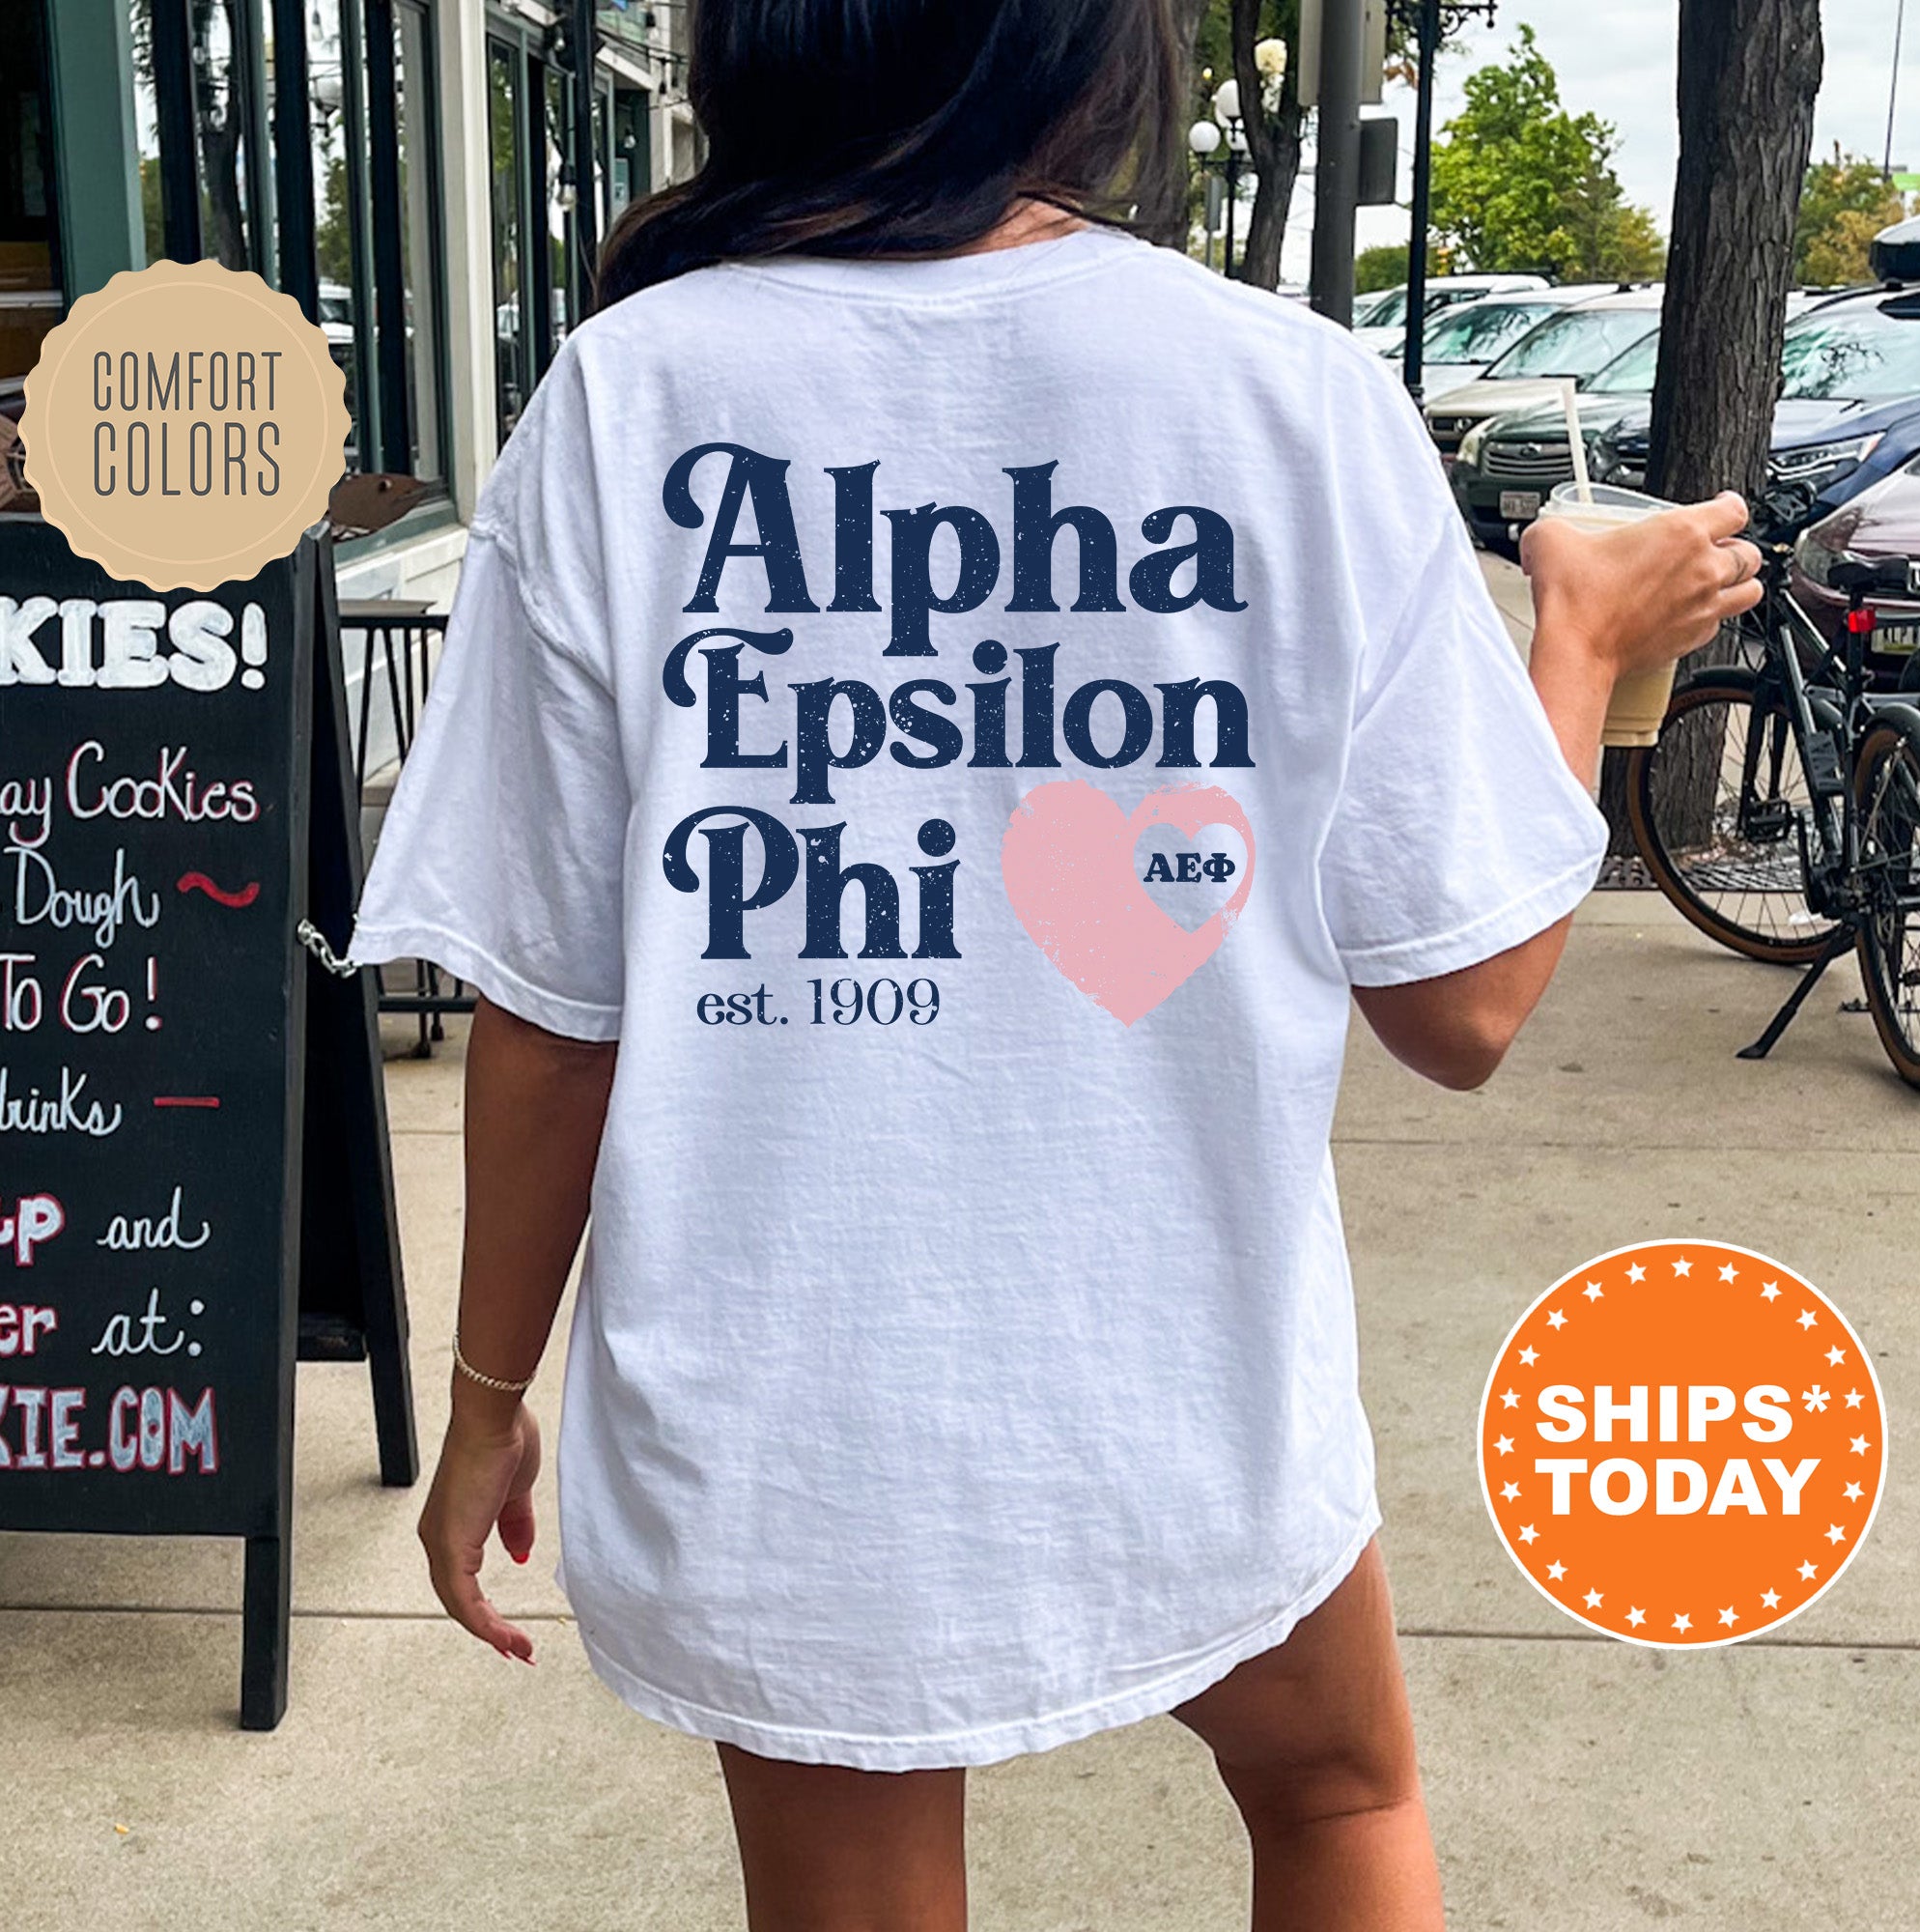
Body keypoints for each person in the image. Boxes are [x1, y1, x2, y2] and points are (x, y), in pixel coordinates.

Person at [348, 4, 1764, 1925]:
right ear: (1093, 54)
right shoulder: (1285, 392)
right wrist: (1580, 646)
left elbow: (552, 1018)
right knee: (1338, 1793)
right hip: (1174, 1378)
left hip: (791, 1416)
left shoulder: (624, 399)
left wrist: (488, 1394)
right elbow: (1468, 1003)